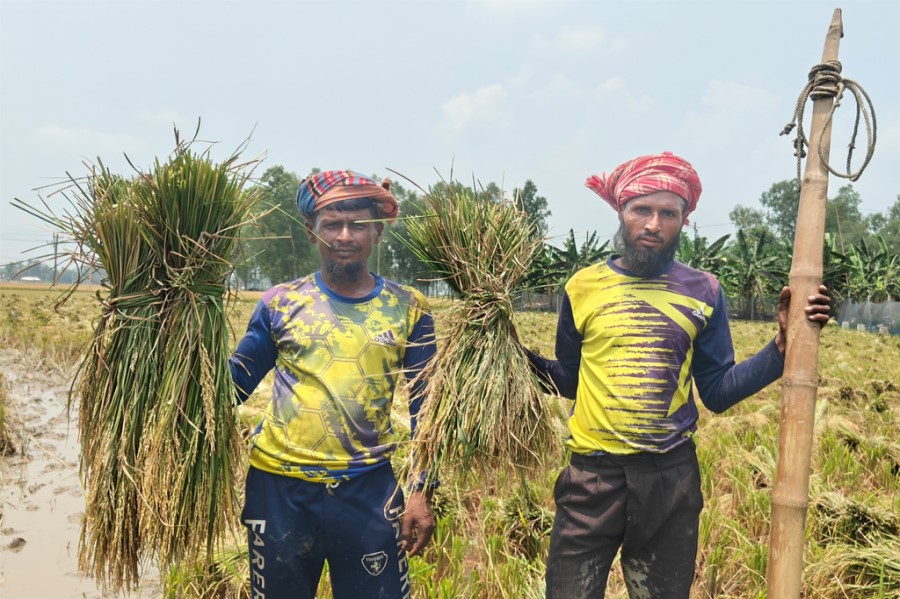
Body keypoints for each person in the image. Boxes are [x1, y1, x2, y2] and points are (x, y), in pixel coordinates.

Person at [522, 152, 831, 598]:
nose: (653, 224)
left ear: (684, 221)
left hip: (669, 481)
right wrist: (512, 355)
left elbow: (719, 390)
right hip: (591, 480)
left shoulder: (704, 290)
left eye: (668, 213)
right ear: (620, 212)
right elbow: (569, 379)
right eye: (641, 210)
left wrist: (781, 349)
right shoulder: (581, 286)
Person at [229, 170, 437, 599]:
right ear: (312, 232)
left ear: (377, 231)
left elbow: (427, 410)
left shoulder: (408, 309)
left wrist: (421, 490)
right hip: (280, 490)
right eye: (331, 225)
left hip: (367, 489)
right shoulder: (280, 304)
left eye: (358, 224)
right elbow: (233, 385)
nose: (345, 235)